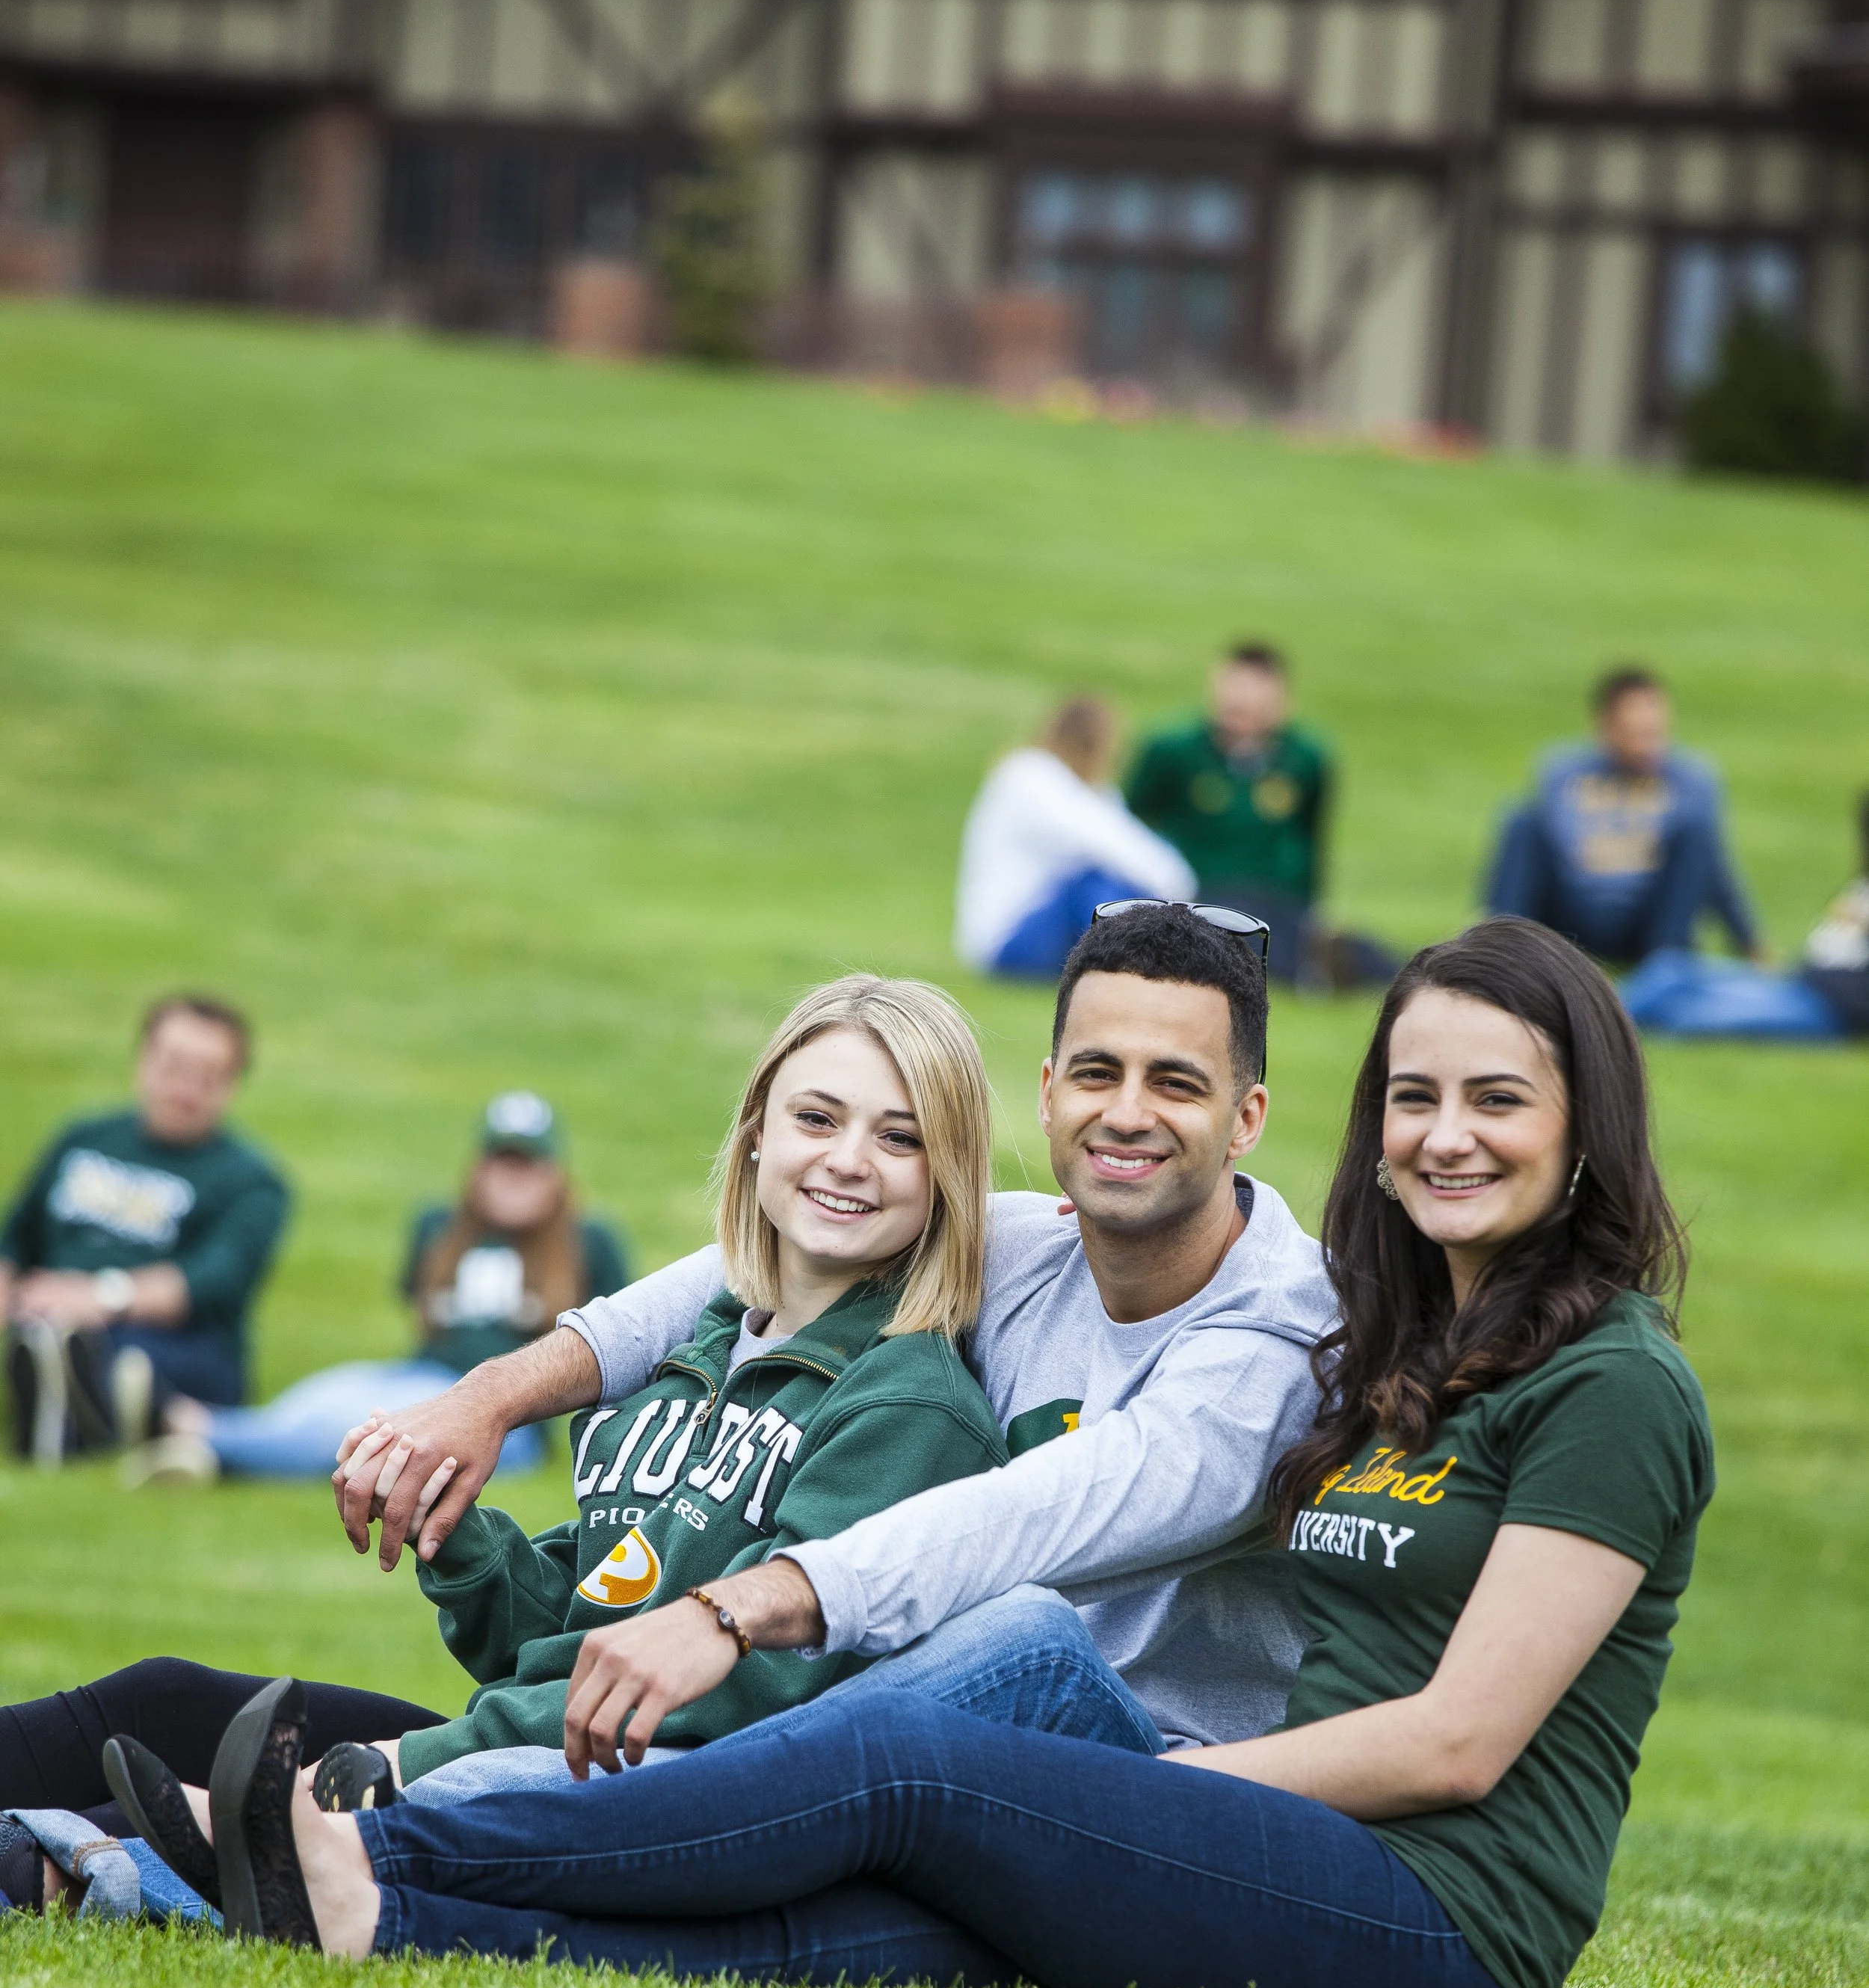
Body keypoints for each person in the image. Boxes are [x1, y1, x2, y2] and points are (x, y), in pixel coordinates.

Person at [128, 920, 1713, 1988]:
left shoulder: (1507, 1370)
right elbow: (723, 1268)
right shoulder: (1402, 1345)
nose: (1441, 1136)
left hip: (1415, 1901)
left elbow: (1452, 1743)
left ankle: (372, 1832)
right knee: (841, 1940)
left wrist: (760, 1615)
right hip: (1174, 1815)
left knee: (920, 1731)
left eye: (1493, 1100)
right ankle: (349, 1907)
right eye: (1415, 1100)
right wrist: (494, 1391)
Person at [0, 973, 1007, 1906]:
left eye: (900, 1136)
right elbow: (558, 1626)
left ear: (947, 1171)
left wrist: (425, 1755)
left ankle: (67, 1867)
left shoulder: (909, 1406)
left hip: (653, 1792)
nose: (846, 1159)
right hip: (545, 1736)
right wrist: (455, 1527)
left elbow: (744, 1692)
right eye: (818, 1117)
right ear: (756, 1135)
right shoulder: (692, 1353)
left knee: (211, 1806)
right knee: (164, 1696)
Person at [330, 904, 1335, 1780]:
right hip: (966, 1744)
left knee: (1011, 1639)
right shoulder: (1029, 1241)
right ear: (1048, 1092)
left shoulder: (1277, 1339)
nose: (1125, 1111)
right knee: (198, 1702)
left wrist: (734, 1609)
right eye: (1097, 1072)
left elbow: (1038, 1516)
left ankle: (375, 1820)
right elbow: (742, 1261)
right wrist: (487, 1399)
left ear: (1247, 1117)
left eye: (1175, 1082)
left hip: (1158, 1770)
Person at [125, 1092, 627, 1486]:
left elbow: (613, 1349)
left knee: (361, 1431)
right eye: (502, 1161)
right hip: (423, 1372)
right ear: (478, 1168)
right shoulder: (441, 1228)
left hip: (510, 1418)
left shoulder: (587, 1242)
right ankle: (203, 1439)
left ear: (555, 1174)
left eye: (529, 1165)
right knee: (322, 1397)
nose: (513, 1178)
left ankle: (191, 1429)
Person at [1, 996, 289, 1466]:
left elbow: (210, 1283)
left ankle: (67, 1402)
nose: (187, 1088)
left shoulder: (252, 1181)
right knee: (53, 1336)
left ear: (233, 1084)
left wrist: (100, 1298)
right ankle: (60, 1392)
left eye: (209, 1076)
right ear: (144, 1059)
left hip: (174, 1342)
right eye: (175, 1066)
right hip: (47, 1315)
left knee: (116, 1356)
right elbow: (15, 1240)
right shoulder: (83, 1139)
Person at [1484, 667, 1768, 968]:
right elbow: (1545, 858)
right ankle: (1499, 950)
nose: (1647, 747)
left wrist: (1749, 940)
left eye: (1654, 734)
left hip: (1650, 920)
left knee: (1698, 832)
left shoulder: (1693, 780)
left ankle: (1666, 965)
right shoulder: (1562, 773)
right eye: (1635, 734)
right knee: (1522, 820)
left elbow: (1712, 869)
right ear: (1604, 727)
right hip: (1571, 914)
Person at [1124, 643, 1336, 985]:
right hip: (1200, 894)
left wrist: (1313, 909)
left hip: (1279, 897)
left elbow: (1311, 838)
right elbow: (1126, 825)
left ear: (1279, 703)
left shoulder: (1307, 759)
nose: (1239, 714)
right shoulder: (1172, 751)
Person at [954, 695, 1195, 979]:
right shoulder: (1029, 775)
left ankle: (1140, 962)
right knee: (1095, 884)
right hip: (1007, 939)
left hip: (1045, 931)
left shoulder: (1095, 791)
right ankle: (1130, 968)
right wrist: (1177, 887)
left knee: (1112, 883)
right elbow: (1107, 842)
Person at [1620, 790, 1869, 1042]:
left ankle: (1599, 1029)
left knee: (1688, 1017)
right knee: (1668, 971)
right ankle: (1592, 1013)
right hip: (1798, 983)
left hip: (1831, 1010)